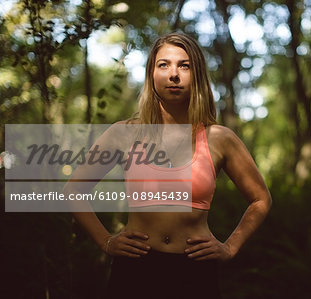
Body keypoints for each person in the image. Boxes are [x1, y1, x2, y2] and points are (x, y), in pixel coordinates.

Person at [65, 32, 272, 299]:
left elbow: (260, 198)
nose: (173, 74)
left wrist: (229, 247)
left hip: (195, 272)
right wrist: (106, 242)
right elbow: (73, 190)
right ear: (151, 74)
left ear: (196, 74)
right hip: (135, 270)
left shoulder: (219, 139)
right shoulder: (123, 134)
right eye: (163, 65)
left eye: (184, 65)